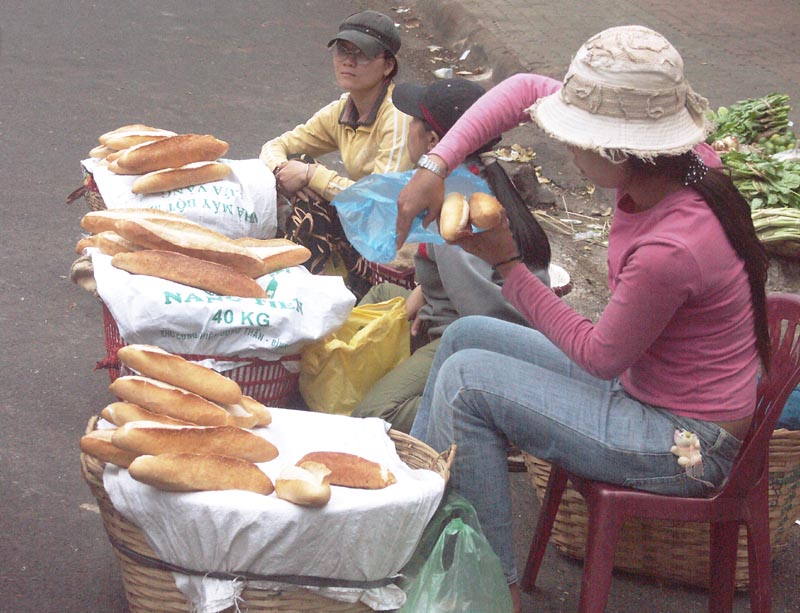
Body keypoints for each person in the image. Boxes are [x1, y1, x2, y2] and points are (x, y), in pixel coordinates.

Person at [395, 25, 770, 612]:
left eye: (577, 140)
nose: (568, 148)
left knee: (469, 385)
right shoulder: (685, 162)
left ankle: (492, 590)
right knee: (465, 336)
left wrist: (509, 267)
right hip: (643, 389)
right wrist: (436, 165)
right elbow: (521, 90)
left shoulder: (673, 247)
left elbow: (599, 355)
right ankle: (408, 520)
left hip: (684, 441)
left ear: (619, 149)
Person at [350, 78, 550, 433]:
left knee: (374, 414)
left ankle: (486, 424)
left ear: (432, 141)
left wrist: (434, 322)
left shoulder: (457, 205)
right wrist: (426, 291)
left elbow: (485, 313)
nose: (407, 128)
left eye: (413, 121)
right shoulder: (478, 172)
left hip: (475, 337)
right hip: (455, 314)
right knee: (382, 296)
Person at [260, 10, 414, 297]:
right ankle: (302, 292)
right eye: (343, 50)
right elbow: (274, 146)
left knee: (308, 177)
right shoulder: (343, 109)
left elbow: (380, 200)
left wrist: (312, 174)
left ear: (387, 66)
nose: (349, 61)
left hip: (401, 242)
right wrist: (283, 170)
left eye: (363, 54)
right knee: (300, 176)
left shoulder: (398, 115)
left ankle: (309, 297)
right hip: (365, 228)